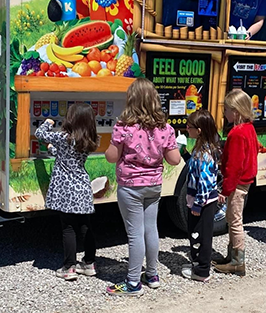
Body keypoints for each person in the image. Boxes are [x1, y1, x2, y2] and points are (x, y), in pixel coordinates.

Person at [105, 78, 181, 296]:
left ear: (132, 99)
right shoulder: (165, 128)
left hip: (130, 187)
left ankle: (133, 283)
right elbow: (174, 160)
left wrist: (109, 148)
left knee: (135, 234)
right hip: (154, 186)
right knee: (151, 229)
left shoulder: (123, 127)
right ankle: (152, 275)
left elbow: (112, 157)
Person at [35, 103, 98, 281]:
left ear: (71, 119)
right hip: (82, 187)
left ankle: (69, 266)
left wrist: (48, 122)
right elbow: (70, 156)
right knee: (86, 226)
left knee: (68, 228)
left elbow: (39, 134)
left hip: (66, 189)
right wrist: (52, 150)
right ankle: (89, 263)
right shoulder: (91, 139)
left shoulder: (64, 137)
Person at [213, 90, 259, 276]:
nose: (224, 113)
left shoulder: (236, 133)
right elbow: (255, 148)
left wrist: (225, 190)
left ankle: (237, 262)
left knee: (234, 221)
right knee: (233, 219)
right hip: (245, 182)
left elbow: (233, 167)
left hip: (238, 184)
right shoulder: (249, 128)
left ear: (237, 112)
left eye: (227, 109)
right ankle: (231, 256)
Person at [181, 110, 220, 283]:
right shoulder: (200, 148)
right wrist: (184, 154)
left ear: (200, 130)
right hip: (199, 201)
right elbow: (194, 169)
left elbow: (204, 182)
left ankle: (202, 271)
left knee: (200, 236)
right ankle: (198, 264)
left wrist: (198, 204)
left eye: (190, 126)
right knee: (195, 234)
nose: (186, 128)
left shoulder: (204, 154)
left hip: (202, 203)